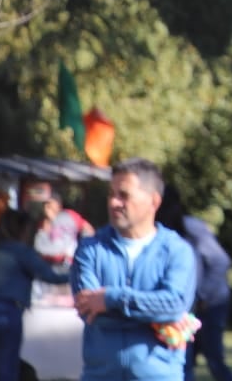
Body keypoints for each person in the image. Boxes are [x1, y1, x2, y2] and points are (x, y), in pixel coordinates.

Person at [71, 157, 197, 381]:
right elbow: (89, 311)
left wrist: (111, 299)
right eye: (111, 194)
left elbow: (175, 304)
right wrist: (159, 316)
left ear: (154, 202)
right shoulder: (91, 248)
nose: (114, 202)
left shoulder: (176, 250)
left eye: (124, 195)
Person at [0, 207, 71, 381]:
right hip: (6, 316)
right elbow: (52, 277)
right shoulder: (22, 252)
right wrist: (80, 273)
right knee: (7, 372)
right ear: (25, 230)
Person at [155, 185, 232, 381]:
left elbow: (220, 261)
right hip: (186, 305)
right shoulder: (158, 232)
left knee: (214, 359)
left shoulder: (190, 228)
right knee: (184, 360)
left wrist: (203, 295)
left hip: (211, 303)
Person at [33, 189, 95, 266]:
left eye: (49, 203)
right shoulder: (44, 222)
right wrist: (50, 220)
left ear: (58, 204)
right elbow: (40, 247)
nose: (47, 206)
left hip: (71, 262)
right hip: (51, 264)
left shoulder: (70, 215)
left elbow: (88, 229)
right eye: (45, 204)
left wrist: (82, 249)